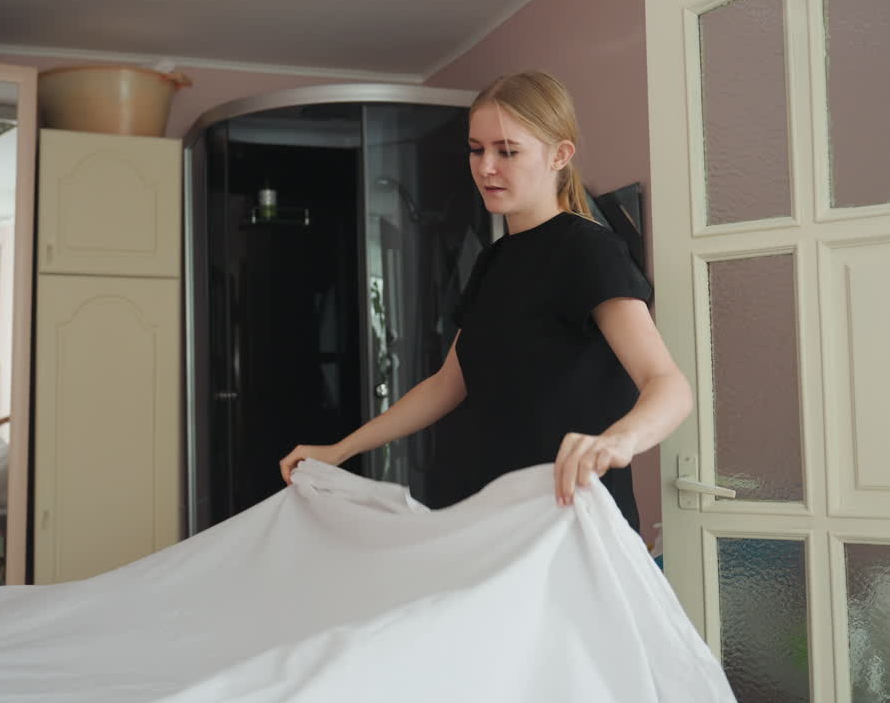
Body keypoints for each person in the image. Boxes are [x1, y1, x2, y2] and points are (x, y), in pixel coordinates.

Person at [280, 71, 691, 531]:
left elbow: (669, 385)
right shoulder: (493, 262)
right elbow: (444, 386)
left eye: (507, 151)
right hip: (494, 518)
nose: (486, 166)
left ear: (560, 154)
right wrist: (340, 449)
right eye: (477, 149)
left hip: (571, 525)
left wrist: (617, 441)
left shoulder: (589, 251)